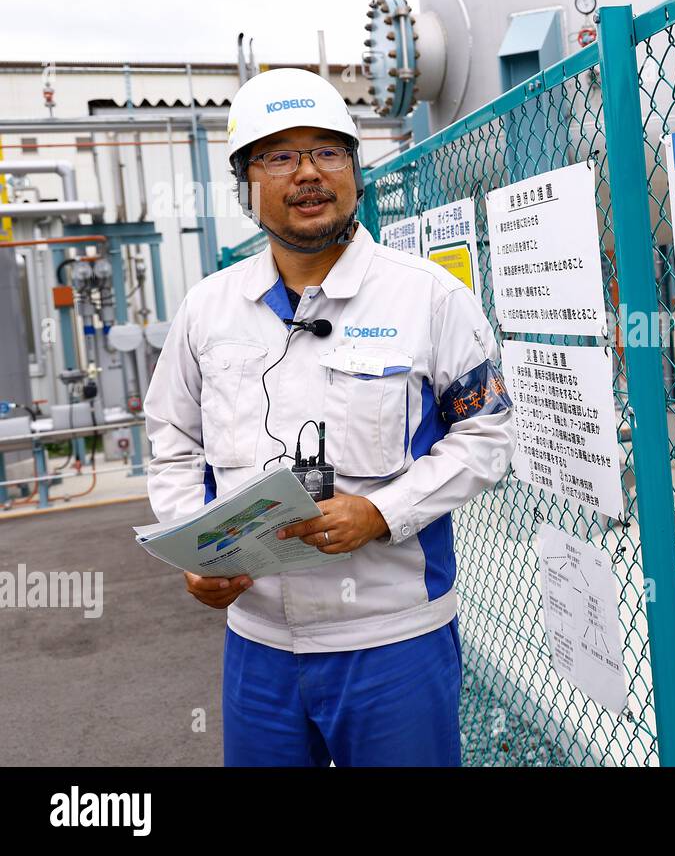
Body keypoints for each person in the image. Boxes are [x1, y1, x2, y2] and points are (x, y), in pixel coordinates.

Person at [143, 67, 514, 766]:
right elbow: (172, 439)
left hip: (392, 639)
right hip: (258, 644)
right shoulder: (208, 311)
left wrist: (383, 513)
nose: (307, 173)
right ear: (246, 185)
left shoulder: (428, 298)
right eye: (278, 156)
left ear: (354, 168)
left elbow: (488, 432)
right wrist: (191, 550)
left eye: (328, 151)